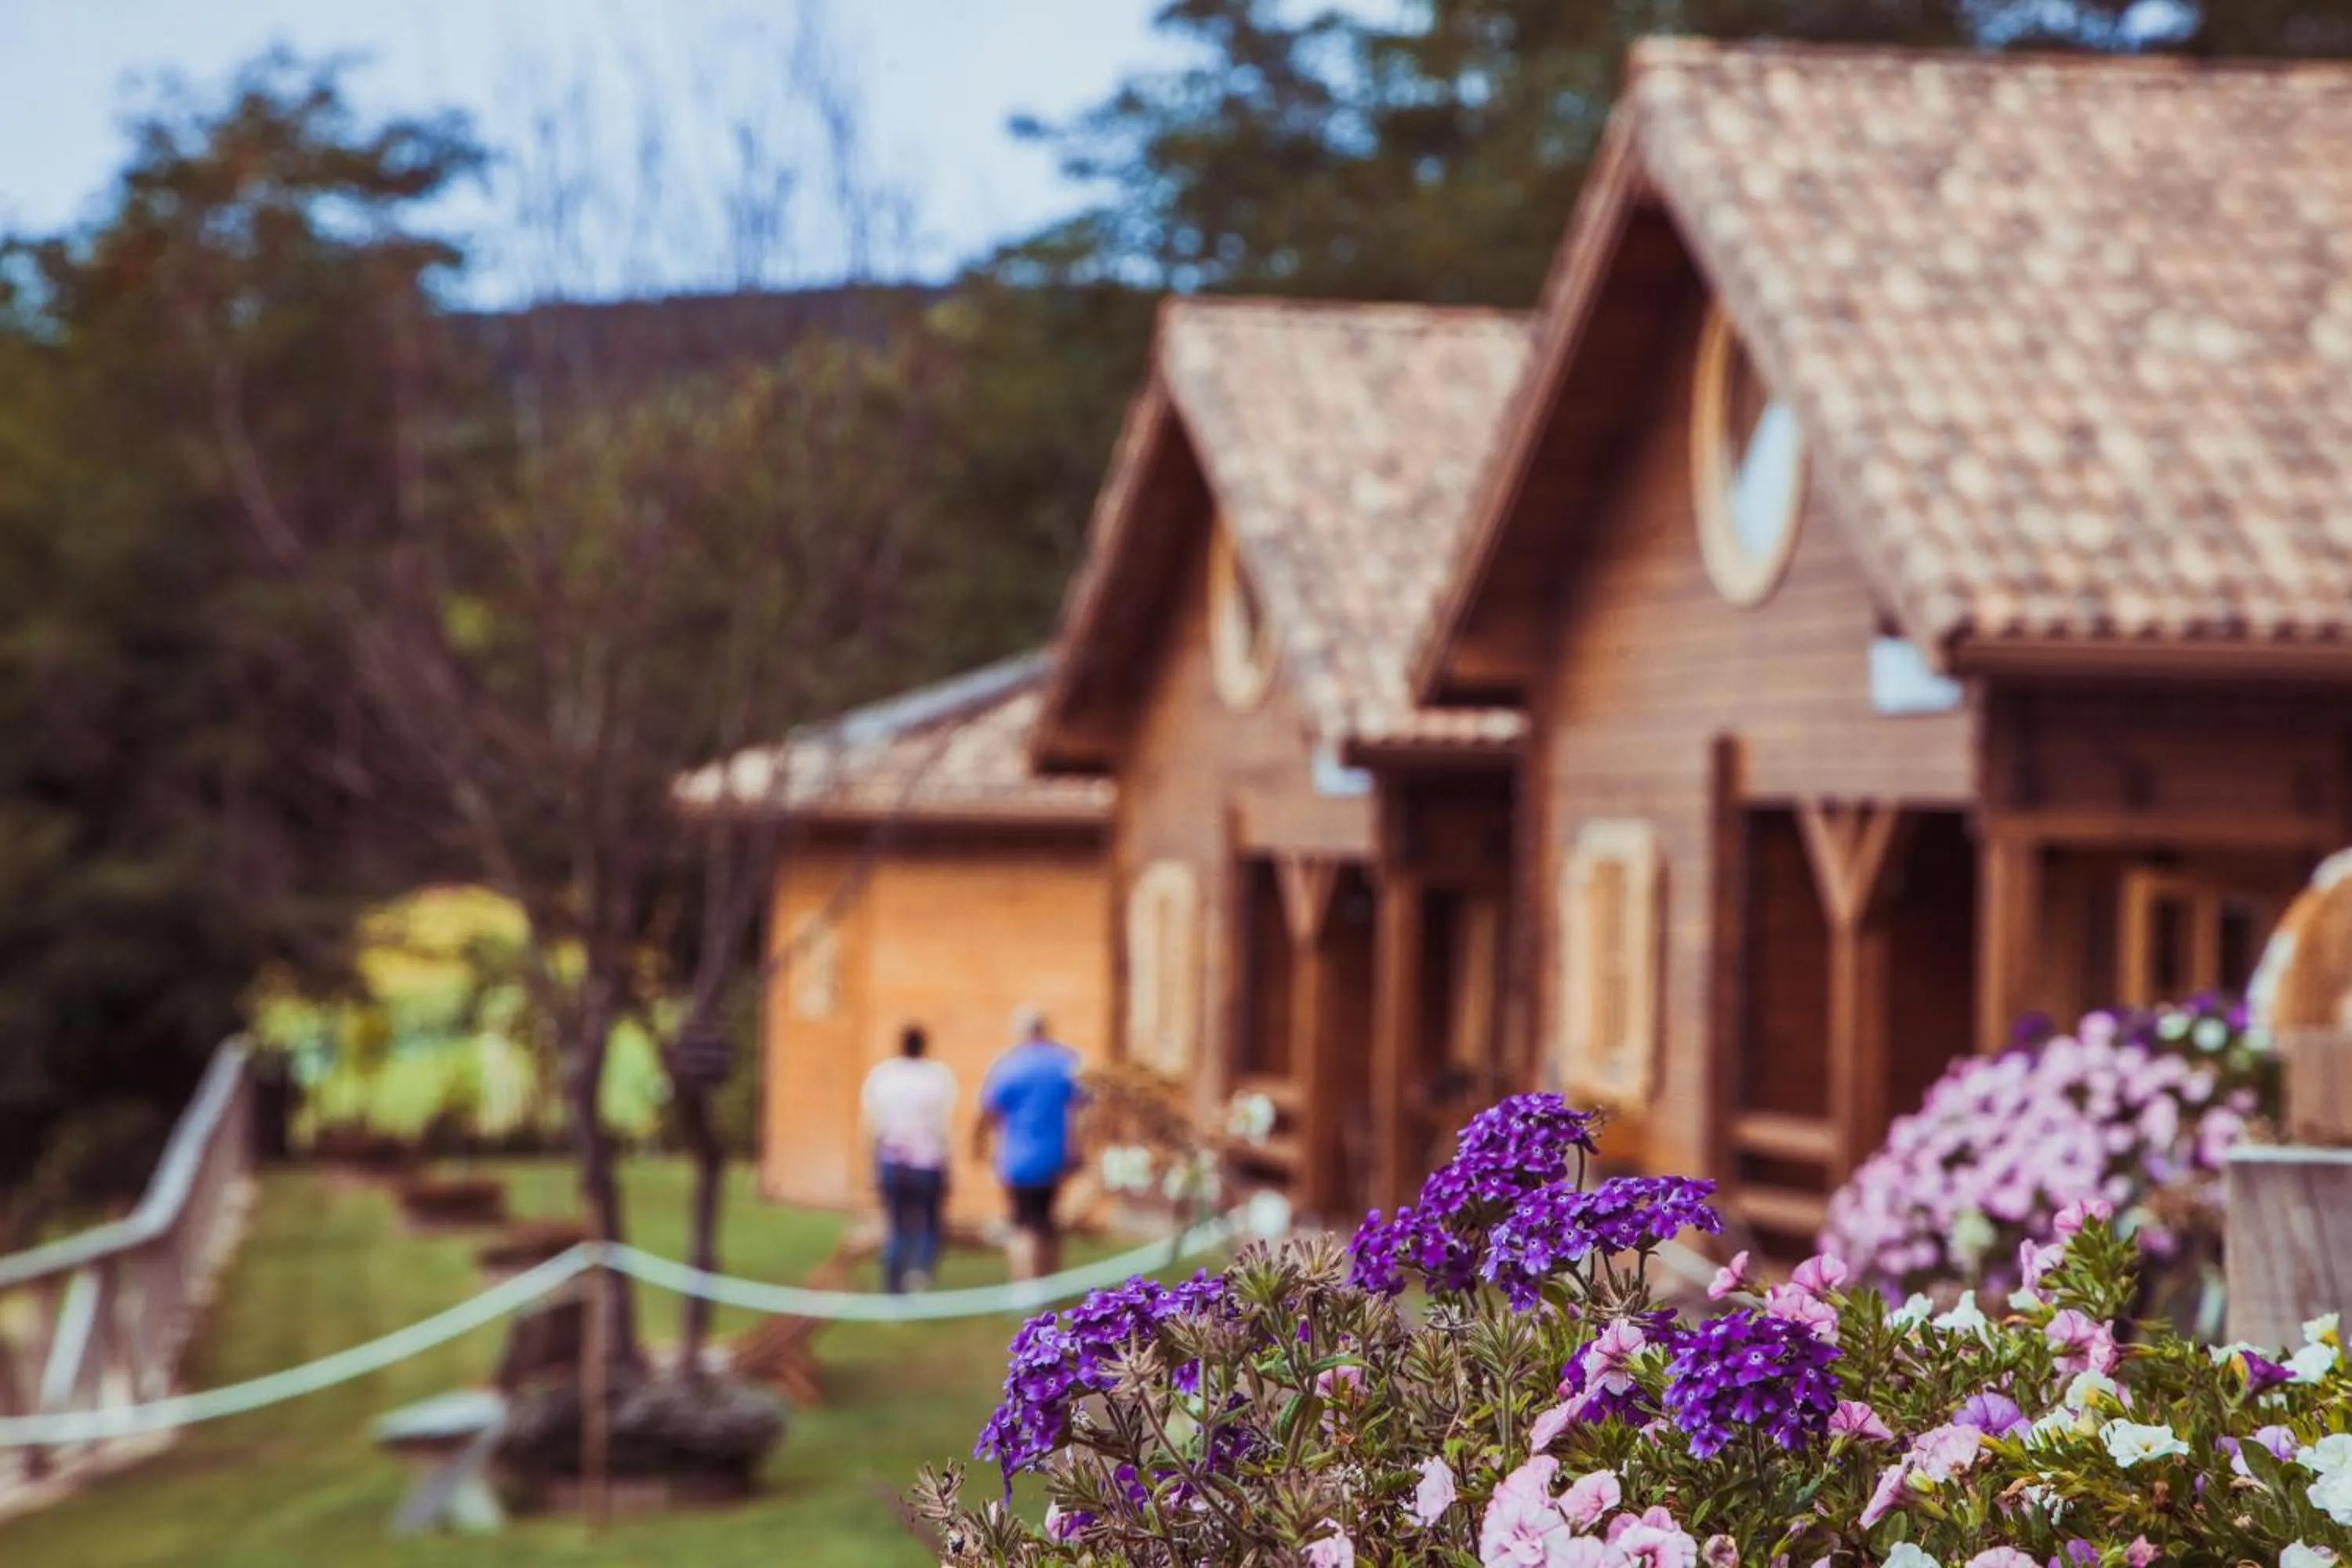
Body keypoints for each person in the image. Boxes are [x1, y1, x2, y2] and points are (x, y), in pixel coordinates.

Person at [975, 1004, 1083, 1280]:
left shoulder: (1008, 1065)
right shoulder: (1066, 1062)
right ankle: (1049, 1283)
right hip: (1054, 1155)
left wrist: (978, 1146)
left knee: (1022, 1223)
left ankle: (1026, 1286)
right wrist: (1079, 1147)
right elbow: (1083, 1109)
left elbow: (987, 1111)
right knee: (1047, 1221)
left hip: (1018, 1158)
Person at [860, 1024, 956, 1293]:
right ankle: (920, 1273)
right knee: (929, 1221)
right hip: (928, 1160)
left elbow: (872, 1126)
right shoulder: (938, 1077)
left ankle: (893, 1284)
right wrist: (950, 1163)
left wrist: (871, 1166)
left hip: (892, 1159)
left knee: (897, 1223)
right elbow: (943, 1128)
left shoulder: (883, 1076)